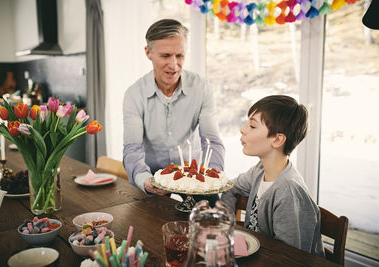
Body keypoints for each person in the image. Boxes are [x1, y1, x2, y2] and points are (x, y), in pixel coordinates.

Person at [123, 19, 225, 202]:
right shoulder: (134, 94)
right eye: (166, 56)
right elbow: (132, 148)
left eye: (180, 56)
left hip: (194, 177)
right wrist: (145, 180)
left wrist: (211, 178)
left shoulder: (202, 88)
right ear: (148, 52)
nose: (174, 65)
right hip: (152, 178)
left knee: (211, 223)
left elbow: (212, 142)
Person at [220, 95, 325, 257]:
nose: (242, 129)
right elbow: (231, 187)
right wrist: (225, 220)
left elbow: (291, 258)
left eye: (252, 126)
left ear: (277, 139)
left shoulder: (288, 192)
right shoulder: (260, 170)